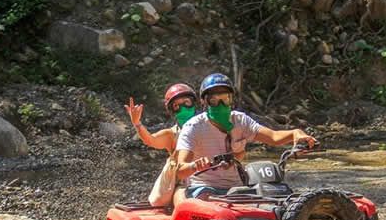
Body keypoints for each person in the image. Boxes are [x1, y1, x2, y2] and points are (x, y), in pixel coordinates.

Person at [175, 73, 317, 199]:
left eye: (225, 98)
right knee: (207, 202)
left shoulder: (241, 121)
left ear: (232, 100)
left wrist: (295, 133)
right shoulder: (193, 127)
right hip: (204, 187)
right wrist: (195, 165)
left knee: (273, 201)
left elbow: (274, 137)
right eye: (214, 99)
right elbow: (180, 170)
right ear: (204, 102)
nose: (221, 104)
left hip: (237, 188)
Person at [125, 83, 199, 206]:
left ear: (194, 103)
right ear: (172, 111)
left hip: (210, 179)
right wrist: (137, 123)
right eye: (176, 106)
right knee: (181, 195)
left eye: (186, 102)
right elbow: (150, 140)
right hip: (185, 183)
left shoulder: (208, 126)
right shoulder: (171, 135)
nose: (183, 108)